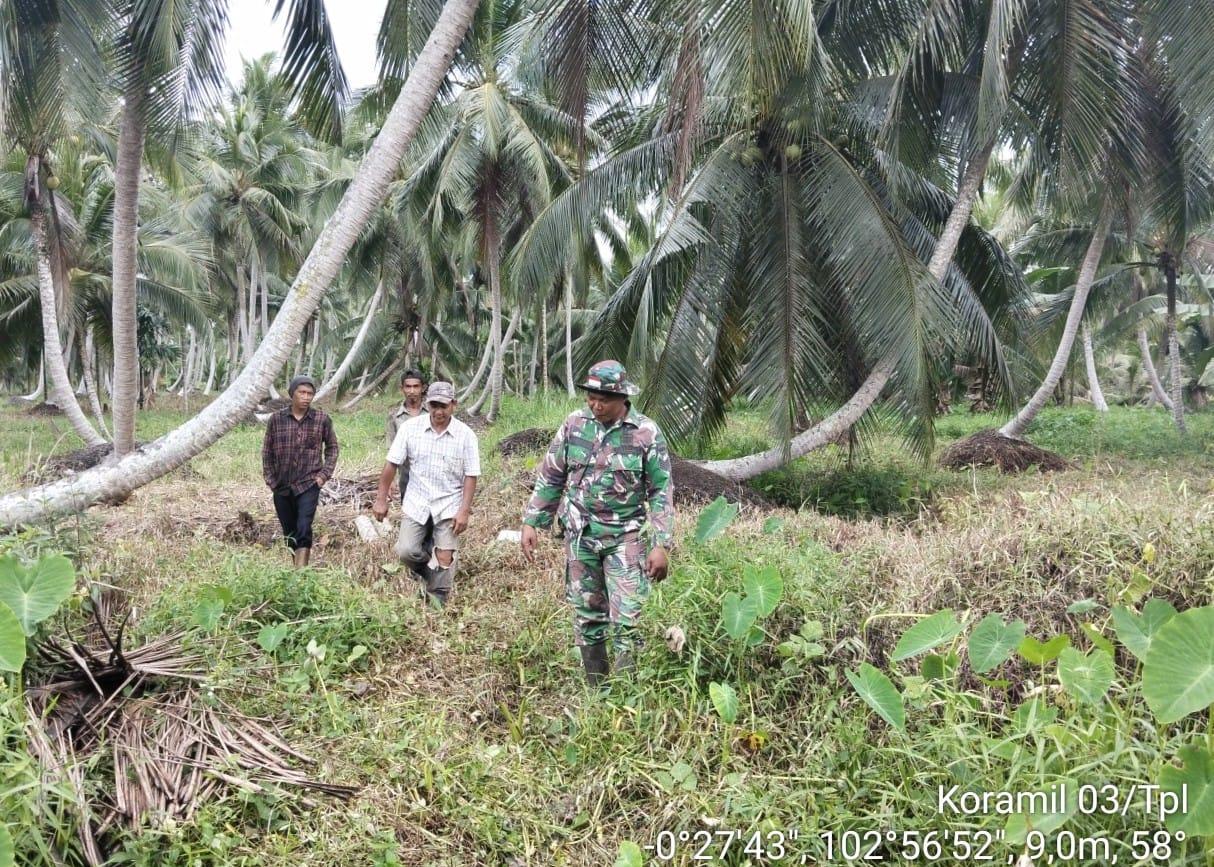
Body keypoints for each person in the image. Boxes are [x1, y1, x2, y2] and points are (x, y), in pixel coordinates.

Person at [520, 360, 674, 685]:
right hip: (581, 537)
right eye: (591, 396)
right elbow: (551, 475)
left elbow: (661, 490)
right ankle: (597, 691)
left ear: (622, 398)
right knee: (588, 615)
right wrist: (533, 522)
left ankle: (627, 693)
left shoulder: (646, 433)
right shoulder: (575, 425)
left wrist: (661, 544)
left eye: (604, 398)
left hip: (626, 538)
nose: (596, 404)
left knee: (629, 617)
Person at [372, 382, 480, 606]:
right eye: (433, 406)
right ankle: (432, 573)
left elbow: (471, 476)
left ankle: (436, 602)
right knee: (406, 551)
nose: (438, 411)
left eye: (444, 406)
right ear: (426, 404)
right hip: (417, 500)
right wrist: (381, 498)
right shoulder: (410, 429)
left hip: (449, 503)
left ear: (454, 405)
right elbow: (392, 464)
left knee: (445, 558)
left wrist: (464, 511)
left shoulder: (466, 435)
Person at [262, 375, 339, 567]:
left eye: (310, 394)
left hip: (309, 484)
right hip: (282, 485)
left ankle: (301, 574)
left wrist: (323, 476)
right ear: (292, 394)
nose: (306, 397)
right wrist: (271, 480)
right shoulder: (277, 420)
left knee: (303, 527)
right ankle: (295, 567)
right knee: (289, 531)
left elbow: (332, 448)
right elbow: (267, 451)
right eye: (301, 393)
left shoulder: (321, 419)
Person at [386, 368, 427, 501]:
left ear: (423, 388)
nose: (412, 391)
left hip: (432, 473)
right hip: (406, 475)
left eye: (416, 386)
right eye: (408, 387)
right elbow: (391, 449)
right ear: (402, 388)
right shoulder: (394, 416)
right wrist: (390, 480)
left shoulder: (432, 413)